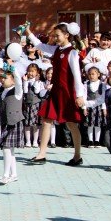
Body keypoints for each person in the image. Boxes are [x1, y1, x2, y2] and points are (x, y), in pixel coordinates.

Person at [26, 23, 86, 166]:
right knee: (46, 119)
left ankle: (77, 156)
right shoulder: (56, 50)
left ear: (66, 35)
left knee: (71, 124)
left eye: (57, 35)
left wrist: (80, 95)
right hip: (56, 92)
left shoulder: (72, 52)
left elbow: (77, 76)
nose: (55, 38)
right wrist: (28, 33)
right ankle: (41, 154)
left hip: (68, 94)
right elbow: (40, 46)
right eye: (54, 35)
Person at [0, 67, 25, 183]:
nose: (2, 80)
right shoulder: (1, 93)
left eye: (5, 78)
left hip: (14, 122)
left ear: (13, 80)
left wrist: (14, 70)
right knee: (10, 150)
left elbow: (19, 81)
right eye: (2, 78)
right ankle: (14, 174)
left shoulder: (17, 91)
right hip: (6, 123)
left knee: (6, 148)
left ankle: (6, 175)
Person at [22, 64, 45, 148]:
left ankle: (35, 141)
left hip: (36, 104)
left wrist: (36, 81)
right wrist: (25, 81)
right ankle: (28, 141)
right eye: (29, 71)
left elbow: (37, 91)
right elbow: (25, 91)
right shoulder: (26, 81)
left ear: (37, 72)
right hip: (27, 104)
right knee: (27, 124)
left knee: (36, 124)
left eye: (32, 71)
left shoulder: (40, 82)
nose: (30, 73)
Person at [84, 66, 106, 148]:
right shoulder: (86, 84)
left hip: (98, 106)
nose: (91, 76)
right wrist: (84, 107)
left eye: (93, 74)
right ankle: (90, 140)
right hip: (89, 106)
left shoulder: (102, 84)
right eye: (89, 74)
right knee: (90, 124)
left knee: (98, 124)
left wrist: (104, 108)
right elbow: (84, 96)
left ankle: (97, 141)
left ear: (98, 74)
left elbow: (103, 97)